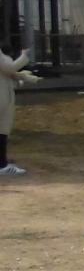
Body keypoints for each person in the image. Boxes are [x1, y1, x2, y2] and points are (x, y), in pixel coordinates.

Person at [0, 47, 35, 175]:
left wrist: (22, 77)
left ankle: (2, 162)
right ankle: (2, 165)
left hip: (4, 96)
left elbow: (6, 73)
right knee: (1, 130)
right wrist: (24, 56)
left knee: (2, 131)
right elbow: (9, 68)